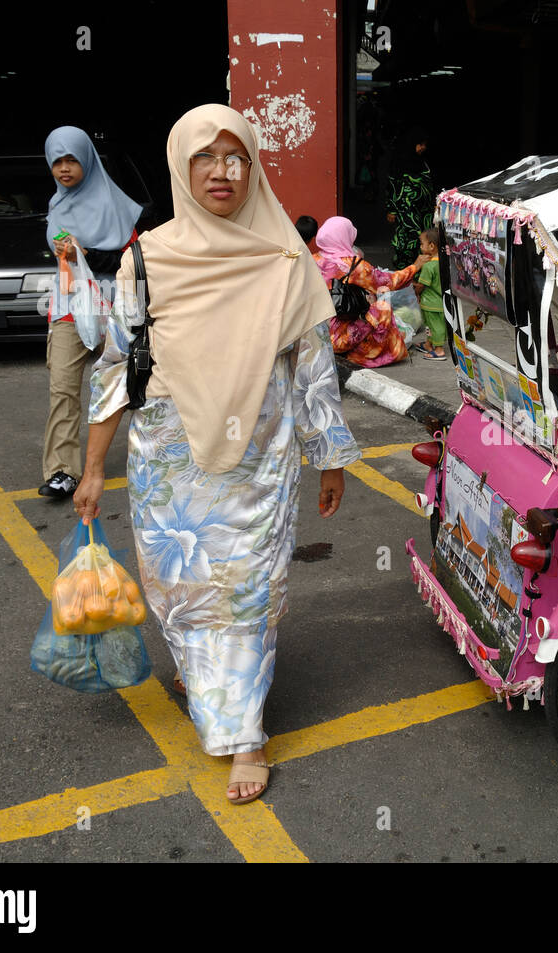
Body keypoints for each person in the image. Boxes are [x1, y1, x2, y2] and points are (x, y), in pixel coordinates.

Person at [73, 104, 361, 805]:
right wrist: (91, 468)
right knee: (182, 591)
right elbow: (117, 367)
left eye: (236, 156)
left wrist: (329, 456)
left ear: (253, 164)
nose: (222, 171)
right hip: (170, 467)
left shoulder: (283, 258)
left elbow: (312, 368)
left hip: (259, 462)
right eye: (205, 156)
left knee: (244, 593)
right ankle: (207, 681)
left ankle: (246, 734)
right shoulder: (146, 258)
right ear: (181, 165)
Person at [40, 126, 142, 499]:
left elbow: (133, 259)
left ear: (87, 160)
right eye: (57, 161)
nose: (64, 169)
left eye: (71, 160)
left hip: (115, 309)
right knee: (62, 389)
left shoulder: (116, 205)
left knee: (129, 385)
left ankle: (148, 450)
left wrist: (87, 255)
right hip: (70, 309)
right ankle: (62, 471)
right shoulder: (56, 204)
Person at [316, 216, 424, 368]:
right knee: (382, 308)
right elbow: (388, 282)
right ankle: (364, 355)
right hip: (340, 338)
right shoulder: (353, 266)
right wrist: (415, 267)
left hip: (316, 335)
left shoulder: (312, 261)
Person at [384, 126, 434, 269]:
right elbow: (392, 187)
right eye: (420, 144)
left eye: (424, 145)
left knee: (424, 240)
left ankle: (420, 273)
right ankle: (404, 272)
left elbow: (429, 185)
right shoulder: (399, 162)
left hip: (424, 211)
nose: (422, 147)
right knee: (408, 240)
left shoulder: (422, 162)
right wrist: (391, 210)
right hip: (406, 211)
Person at [411, 227, 446, 360]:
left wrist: (416, 292)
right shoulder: (442, 262)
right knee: (431, 325)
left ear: (431, 246)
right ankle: (428, 344)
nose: (420, 247)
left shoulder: (428, 266)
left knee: (435, 326)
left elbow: (421, 285)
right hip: (438, 301)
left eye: (422, 244)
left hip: (431, 303)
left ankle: (439, 350)